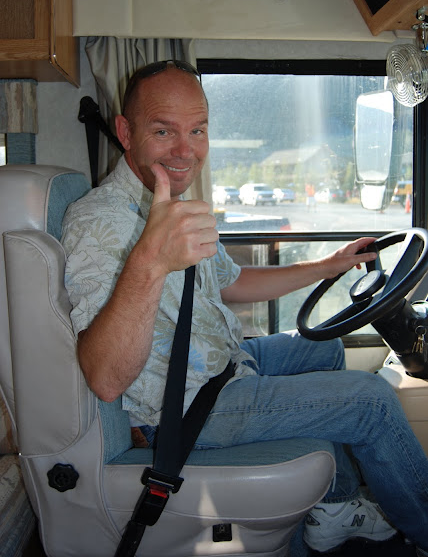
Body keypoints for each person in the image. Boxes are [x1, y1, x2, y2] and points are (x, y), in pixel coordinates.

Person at [61, 60, 428, 555]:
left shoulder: (167, 206)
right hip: (185, 407)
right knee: (372, 401)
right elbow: (104, 378)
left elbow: (232, 283)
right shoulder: (96, 222)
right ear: (125, 132)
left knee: (324, 350)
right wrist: (150, 260)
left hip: (222, 365)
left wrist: (329, 264)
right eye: (163, 130)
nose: (186, 150)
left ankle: (334, 509)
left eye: (197, 130)